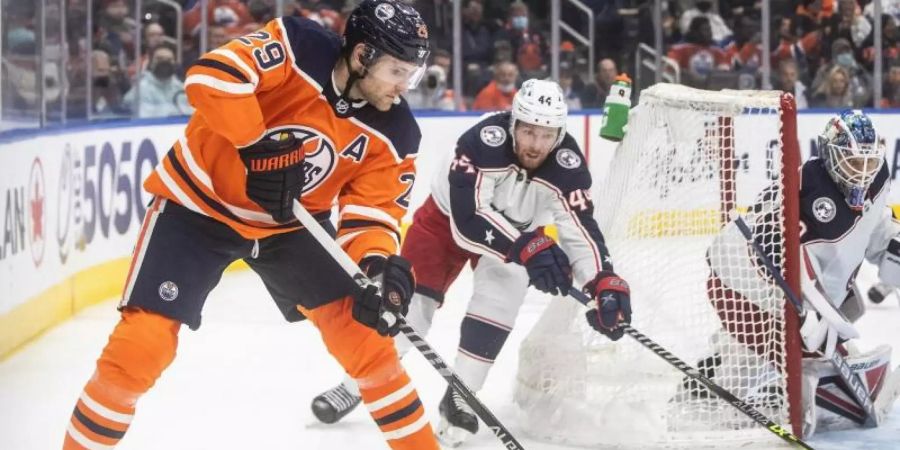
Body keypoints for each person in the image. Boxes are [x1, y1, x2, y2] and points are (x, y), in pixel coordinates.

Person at [62, 2, 440, 450]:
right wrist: (255, 144)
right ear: (361, 56)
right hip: (199, 207)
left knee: (369, 345)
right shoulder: (298, 46)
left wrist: (377, 266)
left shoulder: (397, 132)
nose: (403, 88)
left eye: (411, 75)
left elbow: (371, 215)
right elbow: (210, 76)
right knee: (140, 348)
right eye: (398, 71)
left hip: (293, 227)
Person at [309, 79, 633, 447]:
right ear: (514, 123)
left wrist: (602, 280)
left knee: (499, 307)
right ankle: (358, 383)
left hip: (520, 238)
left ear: (559, 132)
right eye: (528, 131)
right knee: (408, 310)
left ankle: (461, 396)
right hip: (445, 224)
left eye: (546, 135)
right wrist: (528, 247)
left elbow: (580, 230)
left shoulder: (567, 166)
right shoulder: (482, 142)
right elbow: (469, 221)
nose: (536, 144)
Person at [703, 110, 900, 436]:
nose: (862, 172)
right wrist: (809, 309)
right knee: (793, 356)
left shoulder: (876, 176)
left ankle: (717, 363)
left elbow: (871, 223)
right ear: (831, 156)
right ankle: (728, 399)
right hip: (740, 285)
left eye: (868, 161)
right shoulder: (806, 191)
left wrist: (892, 242)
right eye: (853, 162)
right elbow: (771, 251)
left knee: (839, 329)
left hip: (796, 292)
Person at [124, 43, 192, 117]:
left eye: (169, 59)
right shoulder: (140, 89)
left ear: (175, 63)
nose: (164, 62)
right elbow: (144, 117)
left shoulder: (181, 88)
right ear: (150, 62)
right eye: (159, 59)